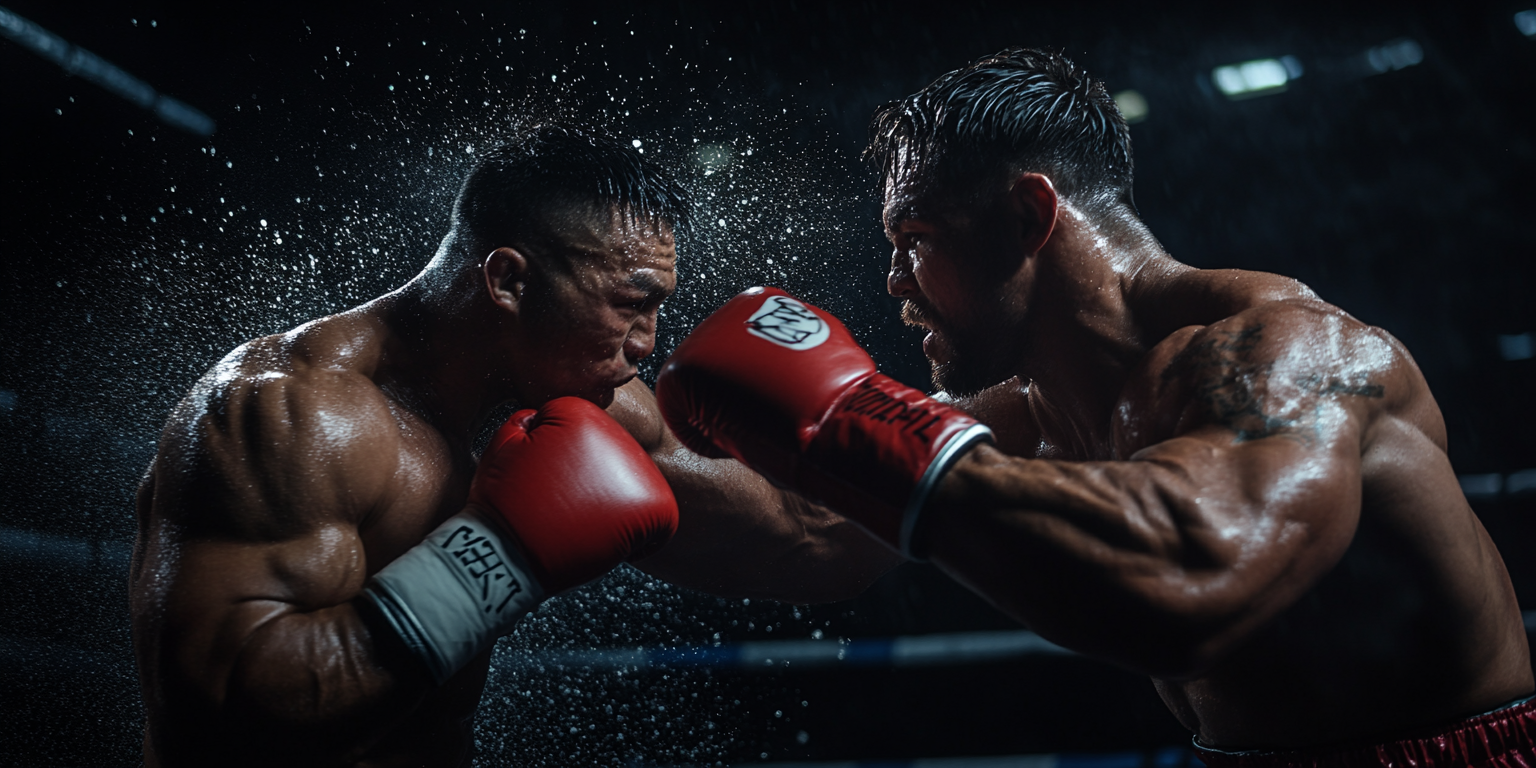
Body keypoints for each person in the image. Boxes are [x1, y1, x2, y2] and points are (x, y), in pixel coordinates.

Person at [658, 48, 1536, 765]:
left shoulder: (1291, 354)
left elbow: (1189, 572)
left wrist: (857, 414)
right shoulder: (1039, 407)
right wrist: (579, 401)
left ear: (1028, 215)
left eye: (915, 239)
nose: (894, 281)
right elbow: (800, 528)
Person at [130, 124, 900, 768]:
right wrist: (498, 555)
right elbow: (221, 719)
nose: (647, 344)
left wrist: (968, 431)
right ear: (508, 281)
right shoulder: (292, 413)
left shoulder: (586, 402)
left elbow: (811, 544)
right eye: (632, 305)